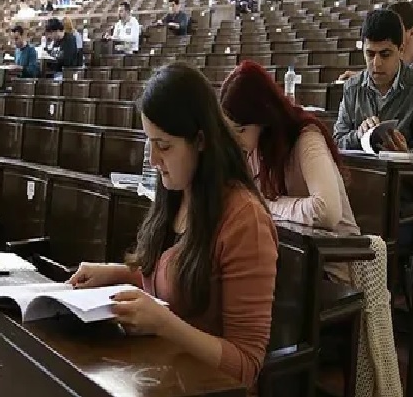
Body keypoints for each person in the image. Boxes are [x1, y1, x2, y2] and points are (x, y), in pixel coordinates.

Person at [67, 62, 278, 388]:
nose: (153, 160)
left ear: (200, 141)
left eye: (164, 146)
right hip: (161, 372)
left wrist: (165, 324)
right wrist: (118, 273)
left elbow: (247, 365)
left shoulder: (245, 221)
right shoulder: (179, 192)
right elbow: (176, 279)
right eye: (149, 143)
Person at [221, 60, 359, 282]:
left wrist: (266, 205)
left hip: (332, 264)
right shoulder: (254, 146)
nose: (236, 140)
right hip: (290, 256)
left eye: (242, 130)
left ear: (264, 119)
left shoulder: (306, 138)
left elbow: (327, 211)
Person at [333, 9, 413, 163]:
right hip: (359, 173)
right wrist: (358, 135)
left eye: (385, 54)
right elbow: (336, 143)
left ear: (401, 50)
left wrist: (406, 155)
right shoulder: (352, 88)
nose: (376, 63)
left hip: (400, 176)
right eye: (370, 54)